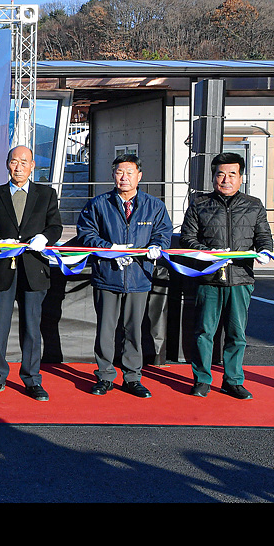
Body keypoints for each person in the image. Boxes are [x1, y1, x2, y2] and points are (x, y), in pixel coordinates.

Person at [74, 153, 172, 398]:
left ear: (139, 176)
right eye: (119, 172)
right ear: (113, 175)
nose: (124, 177)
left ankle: (132, 377)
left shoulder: (154, 205)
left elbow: (163, 232)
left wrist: (157, 246)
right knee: (105, 330)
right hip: (107, 275)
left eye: (130, 172)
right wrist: (110, 249)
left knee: (133, 330)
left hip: (139, 277)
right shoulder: (98, 204)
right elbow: (85, 233)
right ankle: (105, 376)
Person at [179, 152, 274, 400]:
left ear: (241, 177)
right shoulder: (199, 204)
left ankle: (233, 381)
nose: (226, 179)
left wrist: (265, 251)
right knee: (204, 332)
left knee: (236, 334)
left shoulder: (254, 205)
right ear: (213, 178)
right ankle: (202, 379)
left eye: (232, 174)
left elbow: (264, 237)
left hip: (241, 278)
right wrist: (207, 253)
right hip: (208, 278)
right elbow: (187, 239)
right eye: (220, 174)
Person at [0, 145, 63, 401]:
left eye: (24, 162)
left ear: (33, 166)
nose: (19, 167)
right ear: (7, 164)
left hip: (34, 268)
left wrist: (45, 238)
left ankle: (32, 379)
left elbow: (55, 227)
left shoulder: (46, 194)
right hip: (4, 269)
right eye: (14, 161)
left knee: (32, 327)